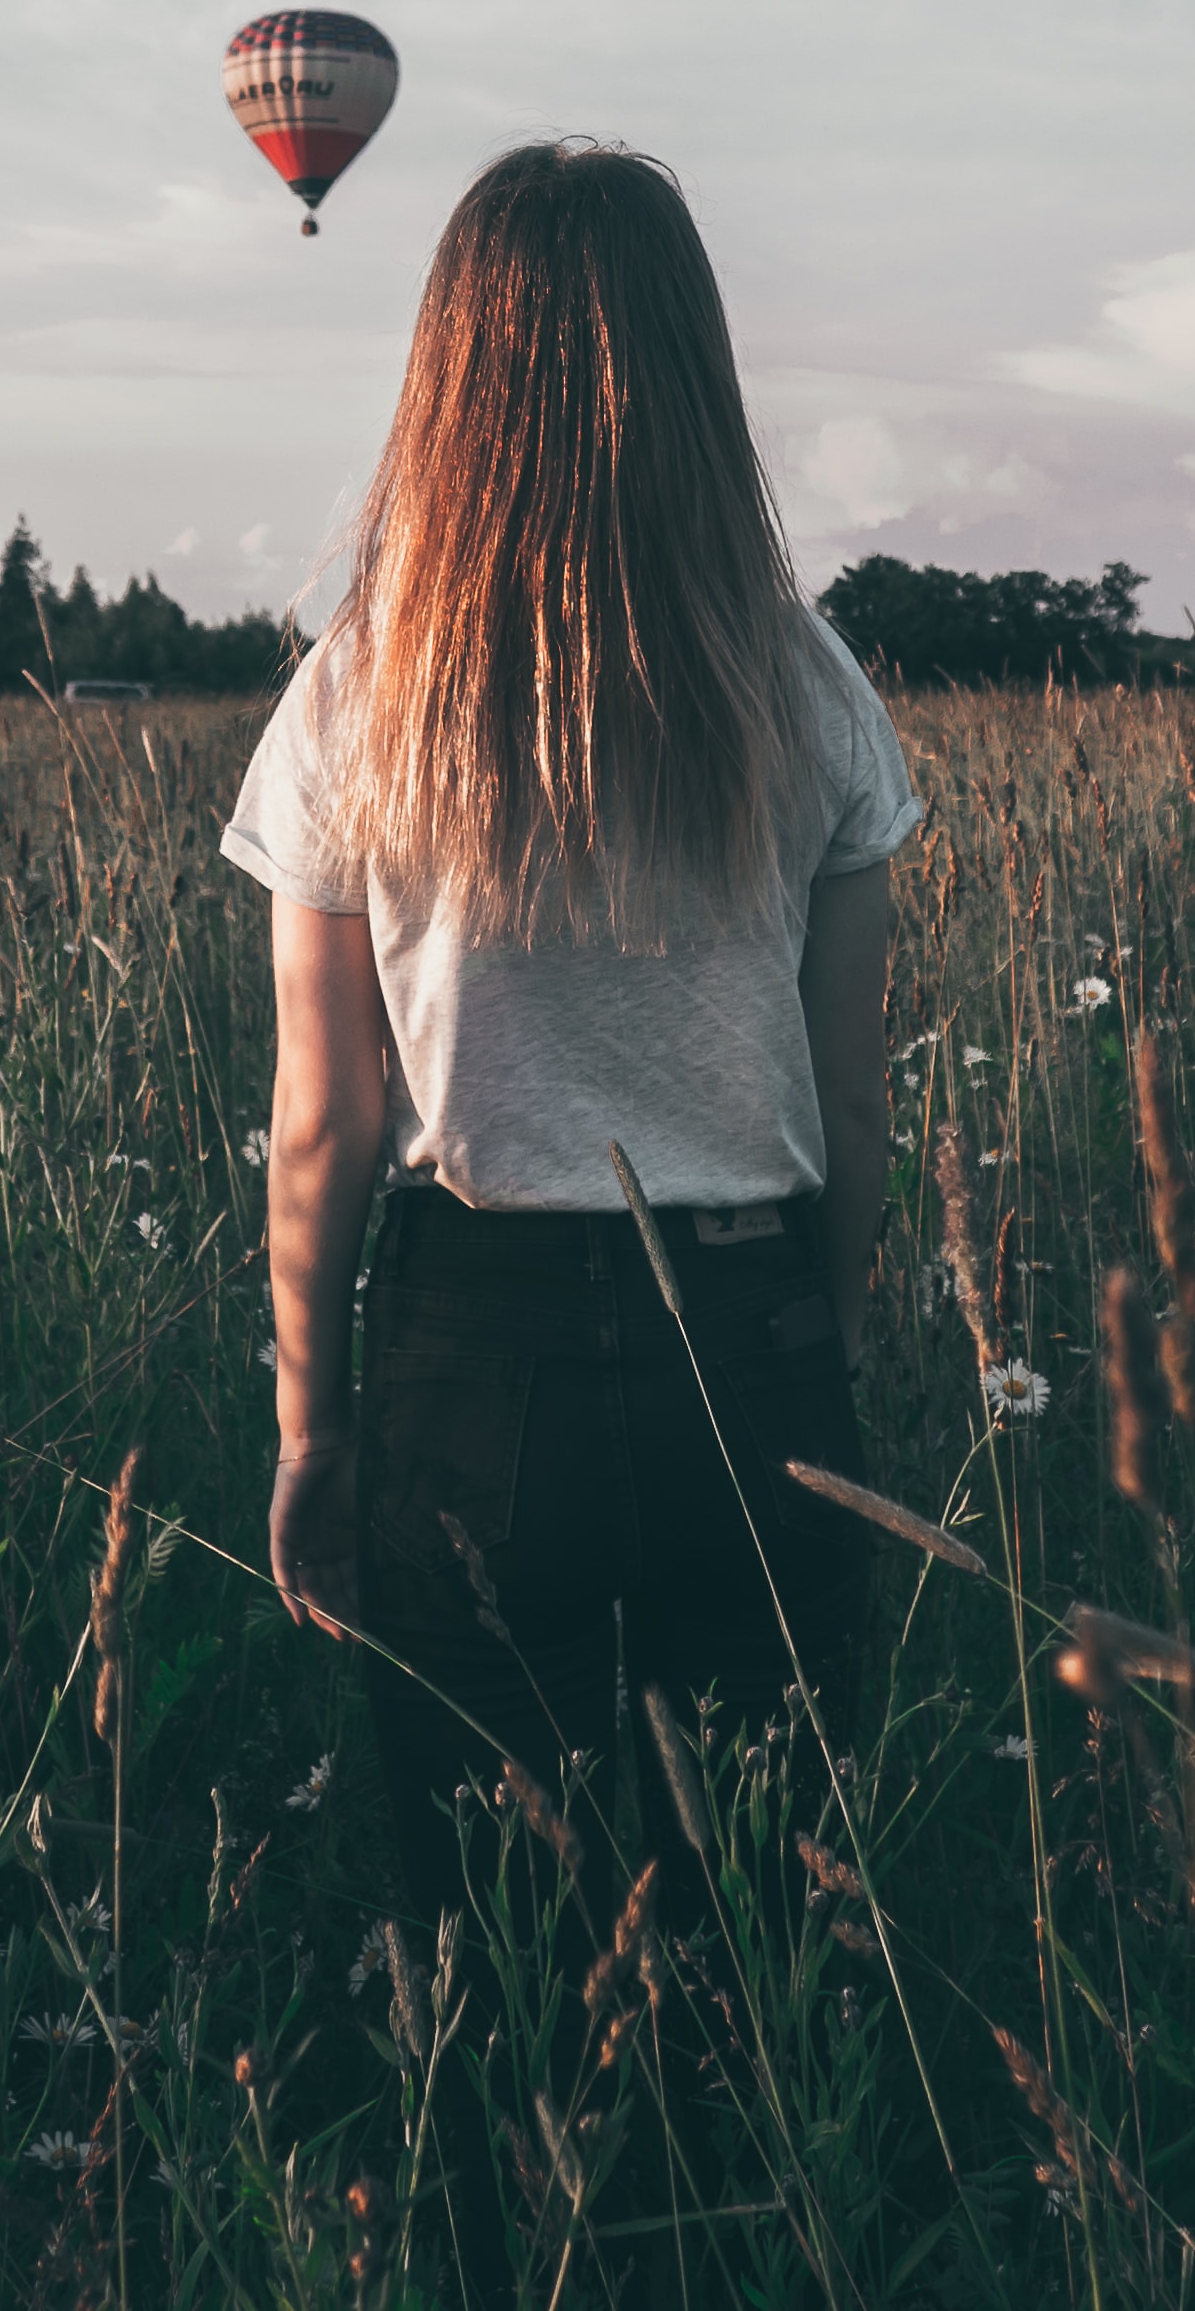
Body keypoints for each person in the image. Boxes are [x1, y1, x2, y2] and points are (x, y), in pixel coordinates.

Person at [220, 142, 920, 2270]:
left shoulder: (365, 687)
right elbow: (852, 1106)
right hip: (755, 1342)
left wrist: (309, 1427)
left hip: (473, 1354)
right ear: (690, 374)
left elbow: (322, 1130)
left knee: (485, 1953)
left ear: (452, 371)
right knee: (758, 1942)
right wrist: (831, 1361)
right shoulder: (799, 687)